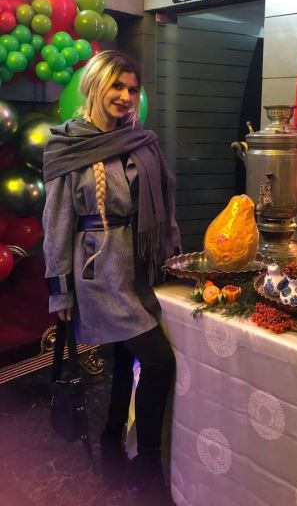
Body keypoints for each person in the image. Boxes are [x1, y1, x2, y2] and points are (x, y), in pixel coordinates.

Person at [42, 50, 181, 499]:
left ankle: (112, 451)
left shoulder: (140, 141)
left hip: (138, 267)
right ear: (96, 85)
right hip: (99, 272)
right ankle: (148, 465)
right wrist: (60, 291)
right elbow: (57, 222)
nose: (125, 96)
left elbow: (163, 204)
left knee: (123, 363)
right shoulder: (68, 145)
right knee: (158, 361)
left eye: (132, 89)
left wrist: (169, 255)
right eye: (117, 86)